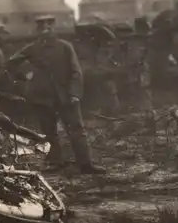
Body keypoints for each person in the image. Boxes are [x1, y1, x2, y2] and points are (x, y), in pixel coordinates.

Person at [6, 15, 106, 174]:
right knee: (49, 132)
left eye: (49, 24)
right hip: (42, 98)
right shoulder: (32, 48)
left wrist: (74, 93)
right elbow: (11, 63)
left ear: (54, 27)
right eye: (42, 25)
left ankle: (86, 164)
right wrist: (25, 75)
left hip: (65, 96)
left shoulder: (65, 47)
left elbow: (76, 71)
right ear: (37, 29)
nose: (46, 28)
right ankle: (55, 162)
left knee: (77, 130)